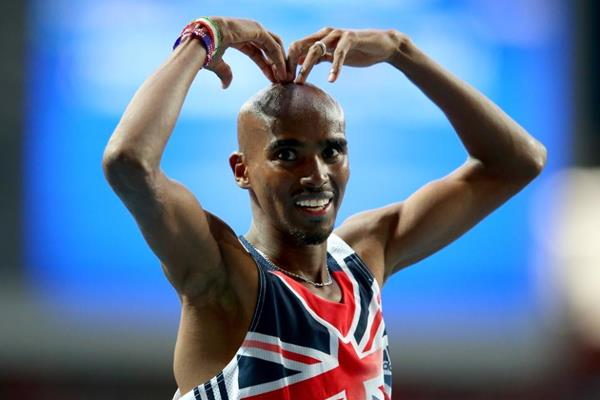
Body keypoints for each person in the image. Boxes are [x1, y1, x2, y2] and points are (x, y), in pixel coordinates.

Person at [102, 16, 547, 400]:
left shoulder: (365, 257)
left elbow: (518, 161)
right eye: (287, 154)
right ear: (242, 170)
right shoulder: (222, 277)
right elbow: (128, 162)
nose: (316, 174)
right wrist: (206, 36)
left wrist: (401, 50)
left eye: (332, 151)